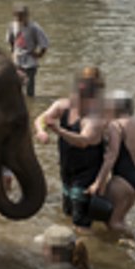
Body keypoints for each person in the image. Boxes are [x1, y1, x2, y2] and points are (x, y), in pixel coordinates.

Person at [36, 67, 107, 227]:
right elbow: (42, 117)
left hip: (87, 174)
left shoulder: (95, 116)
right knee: (67, 213)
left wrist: (58, 130)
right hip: (68, 169)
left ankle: (87, 249)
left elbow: (83, 141)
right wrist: (41, 130)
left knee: (80, 221)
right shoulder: (64, 105)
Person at [89, 90, 135, 236]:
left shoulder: (115, 126)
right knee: (120, 219)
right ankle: (124, 247)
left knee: (112, 223)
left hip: (122, 179)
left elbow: (111, 156)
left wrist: (98, 182)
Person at [6, 5, 50, 97]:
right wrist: (12, 53)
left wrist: (39, 54)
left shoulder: (34, 27)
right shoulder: (12, 26)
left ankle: (30, 102)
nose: (20, 19)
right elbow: (10, 40)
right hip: (17, 60)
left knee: (29, 87)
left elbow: (44, 43)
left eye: (22, 16)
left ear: (27, 16)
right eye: (17, 17)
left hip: (30, 62)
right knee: (16, 85)